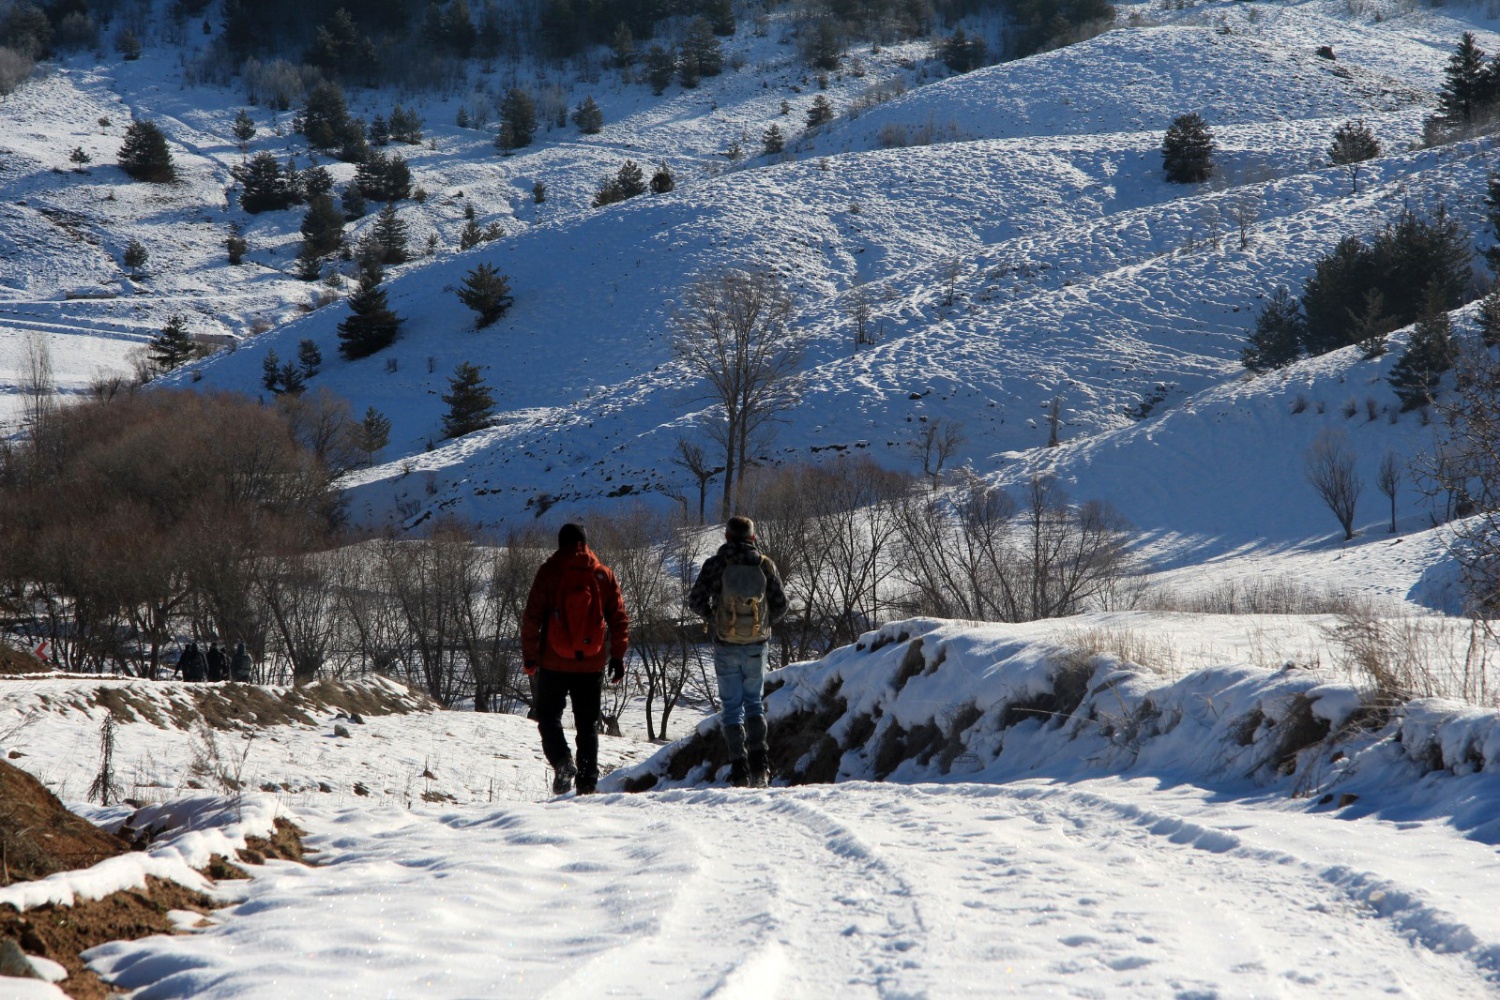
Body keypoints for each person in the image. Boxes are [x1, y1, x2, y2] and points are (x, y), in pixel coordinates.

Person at [522, 523, 629, 796]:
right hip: (591, 662)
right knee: (587, 725)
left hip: (553, 661)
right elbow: (618, 619)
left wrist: (530, 656)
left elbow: (532, 617)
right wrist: (617, 656)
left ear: (560, 544)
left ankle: (562, 761)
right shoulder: (602, 575)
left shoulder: (549, 572)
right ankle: (587, 785)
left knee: (548, 716)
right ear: (585, 542)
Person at [688, 515, 789, 788]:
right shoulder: (765, 565)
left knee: (732, 710)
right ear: (753, 538)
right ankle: (761, 769)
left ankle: (740, 772)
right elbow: (781, 604)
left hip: (725, 644)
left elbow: (695, 601)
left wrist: (715, 619)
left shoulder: (716, 564)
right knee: (754, 704)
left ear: (727, 537)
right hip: (757, 645)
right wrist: (762, 626)